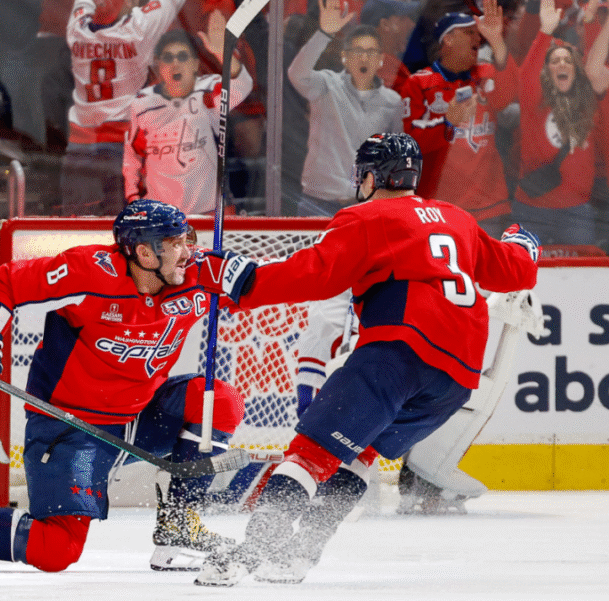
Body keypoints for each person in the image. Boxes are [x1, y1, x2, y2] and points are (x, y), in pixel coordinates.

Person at [191, 132, 541, 587]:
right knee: (360, 456)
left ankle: (252, 553)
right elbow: (513, 269)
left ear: (372, 176)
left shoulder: (368, 216)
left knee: (309, 454)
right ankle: (299, 554)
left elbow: (316, 273)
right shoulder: (457, 219)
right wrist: (522, 242)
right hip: (455, 378)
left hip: (399, 354)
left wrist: (243, 281)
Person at [0, 199, 249, 573]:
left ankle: (179, 526)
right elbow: (8, 281)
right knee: (57, 550)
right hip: (73, 428)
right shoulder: (90, 272)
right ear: (144, 251)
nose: (186, 251)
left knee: (218, 400)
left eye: (187, 240)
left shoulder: (195, 275)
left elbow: (269, 285)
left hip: (136, 419)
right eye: (174, 242)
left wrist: (255, 274)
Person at [399, 3, 519, 233]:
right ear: (448, 40)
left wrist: (496, 40)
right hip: (438, 206)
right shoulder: (419, 83)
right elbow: (411, 144)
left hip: (487, 204)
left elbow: (507, 96)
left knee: (484, 269)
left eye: (478, 33)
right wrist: (448, 123)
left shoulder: (485, 74)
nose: (477, 38)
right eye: (469, 32)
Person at [61, 0, 185, 216]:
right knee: (123, 227)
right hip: (121, 148)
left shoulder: (76, 28)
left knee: (77, 227)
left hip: (79, 147)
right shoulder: (138, 28)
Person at [122, 14, 253, 216]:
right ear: (159, 66)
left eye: (182, 57)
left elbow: (241, 85)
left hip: (211, 214)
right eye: (168, 58)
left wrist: (223, 53)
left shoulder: (207, 92)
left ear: (194, 64)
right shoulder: (142, 104)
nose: (175, 64)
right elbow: (132, 159)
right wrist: (134, 201)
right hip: (162, 218)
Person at [288, 0, 404, 217]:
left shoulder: (392, 102)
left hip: (365, 205)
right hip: (318, 202)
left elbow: (394, 157)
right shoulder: (326, 85)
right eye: (358, 50)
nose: (364, 57)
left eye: (371, 52)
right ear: (345, 57)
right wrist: (324, 33)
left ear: (380, 59)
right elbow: (297, 74)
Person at [511, 0, 603, 247]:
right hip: (532, 210)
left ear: (577, 69)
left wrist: (591, 20)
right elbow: (527, 75)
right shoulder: (535, 100)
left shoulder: (589, 100)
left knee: (584, 279)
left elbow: (595, 60)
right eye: (554, 61)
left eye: (568, 60)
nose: (562, 64)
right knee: (520, 277)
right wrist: (545, 32)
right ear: (547, 71)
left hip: (576, 211)